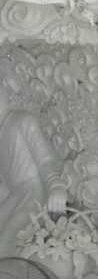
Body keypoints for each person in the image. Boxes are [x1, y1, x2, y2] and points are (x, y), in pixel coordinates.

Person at [0, 93, 66, 255]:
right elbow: (4, 180)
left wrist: (55, 185)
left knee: (7, 244)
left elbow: (44, 160)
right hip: (14, 195)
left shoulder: (23, 120)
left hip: (34, 193)